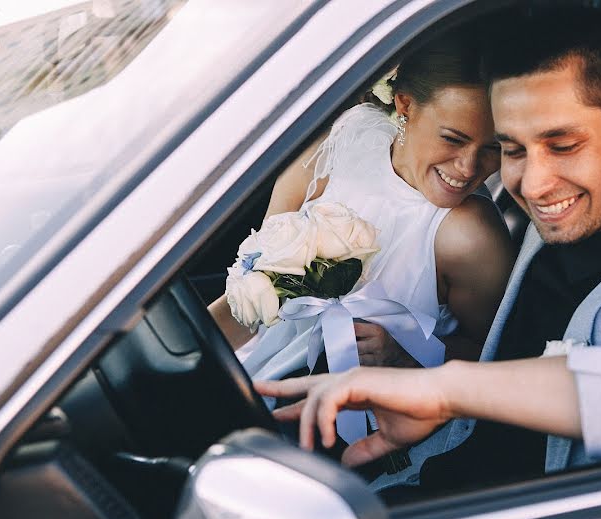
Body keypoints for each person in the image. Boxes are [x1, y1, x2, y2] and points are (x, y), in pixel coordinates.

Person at [257, 7, 601, 492]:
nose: (534, 184)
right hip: (421, 475)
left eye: (563, 145)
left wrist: (451, 390)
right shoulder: (556, 216)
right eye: (512, 149)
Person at [209, 26, 514, 386]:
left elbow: (501, 360)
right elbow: (251, 289)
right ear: (405, 105)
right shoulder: (340, 144)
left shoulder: (470, 237)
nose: (468, 167)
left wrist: (408, 355)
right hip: (257, 369)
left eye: (495, 147)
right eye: (452, 139)